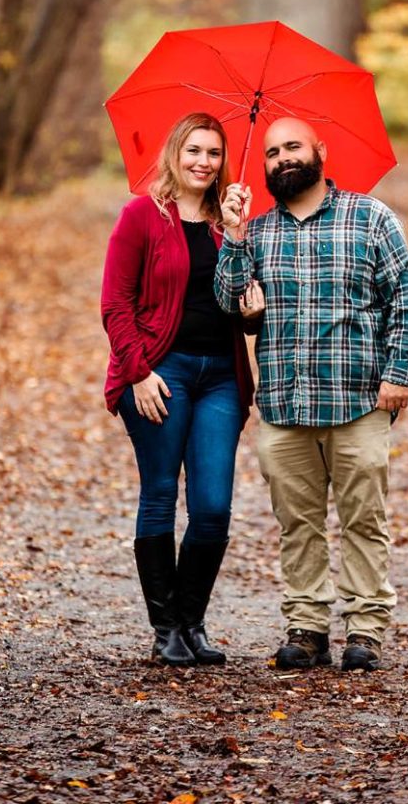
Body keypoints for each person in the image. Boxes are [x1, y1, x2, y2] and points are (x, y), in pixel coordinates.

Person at [216, 117, 408, 672]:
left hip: (358, 399)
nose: (282, 158)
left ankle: (365, 628)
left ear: (320, 152)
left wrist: (399, 373)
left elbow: (403, 302)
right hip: (284, 404)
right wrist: (232, 237)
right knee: (297, 522)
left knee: (363, 516)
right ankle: (307, 625)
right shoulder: (256, 232)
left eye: (292, 147)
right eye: (272, 152)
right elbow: (229, 303)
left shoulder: (371, 218)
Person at [101, 113, 254, 667]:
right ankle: (166, 627)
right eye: (193, 150)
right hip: (160, 374)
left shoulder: (233, 223)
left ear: (222, 162)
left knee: (213, 508)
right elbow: (115, 304)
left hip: (221, 376)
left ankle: (193, 621)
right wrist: (138, 371)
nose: (203, 162)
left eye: (213, 153)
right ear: (174, 153)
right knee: (161, 494)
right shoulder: (142, 216)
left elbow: (246, 308)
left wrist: (240, 247)